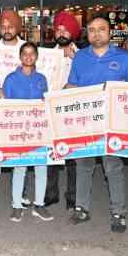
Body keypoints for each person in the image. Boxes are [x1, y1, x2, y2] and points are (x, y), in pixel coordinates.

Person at [66, 16, 128, 233]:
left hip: (113, 122)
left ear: (110, 32)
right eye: (91, 30)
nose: (96, 34)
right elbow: (73, 84)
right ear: (86, 33)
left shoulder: (124, 57)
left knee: (113, 167)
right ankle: (81, 208)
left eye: (101, 29)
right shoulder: (80, 57)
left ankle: (118, 212)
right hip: (86, 121)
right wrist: (59, 95)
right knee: (83, 166)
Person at [3, 42, 54, 223]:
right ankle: (17, 205)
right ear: (20, 56)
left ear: (36, 57)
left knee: (42, 167)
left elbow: (45, 103)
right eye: (25, 53)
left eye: (32, 53)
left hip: (39, 131)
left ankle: (39, 204)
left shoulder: (42, 79)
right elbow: (5, 107)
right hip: (18, 131)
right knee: (20, 167)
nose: (28, 56)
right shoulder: (10, 79)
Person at [0, 9, 26, 207]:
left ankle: (21, 191)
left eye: (11, 26)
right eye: (3, 27)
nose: (7, 30)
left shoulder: (27, 47)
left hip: (21, 104)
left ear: (17, 27)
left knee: (20, 148)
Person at [44, 11, 80, 210]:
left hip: (73, 112)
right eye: (58, 28)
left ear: (73, 32)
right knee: (52, 154)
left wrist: (75, 58)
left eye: (66, 29)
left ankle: (73, 196)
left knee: (73, 157)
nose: (62, 32)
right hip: (50, 109)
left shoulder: (83, 56)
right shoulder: (46, 54)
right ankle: (51, 193)